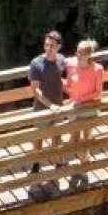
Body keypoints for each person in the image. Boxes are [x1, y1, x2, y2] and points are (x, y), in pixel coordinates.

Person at [28, 30, 67, 182]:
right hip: (41, 108)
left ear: (59, 47)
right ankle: (36, 166)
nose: (48, 48)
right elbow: (35, 91)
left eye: (52, 45)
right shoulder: (36, 64)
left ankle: (58, 165)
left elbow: (65, 79)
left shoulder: (62, 60)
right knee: (38, 138)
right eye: (46, 44)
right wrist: (50, 105)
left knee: (57, 136)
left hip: (58, 105)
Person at [65, 39, 105, 189]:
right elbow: (68, 84)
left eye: (81, 53)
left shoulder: (98, 69)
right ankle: (83, 161)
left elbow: (98, 92)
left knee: (86, 139)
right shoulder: (70, 65)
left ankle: (84, 167)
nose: (77, 55)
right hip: (75, 107)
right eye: (77, 52)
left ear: (89, 55)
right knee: (74, 139)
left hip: (89, 107)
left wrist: (82, 100)